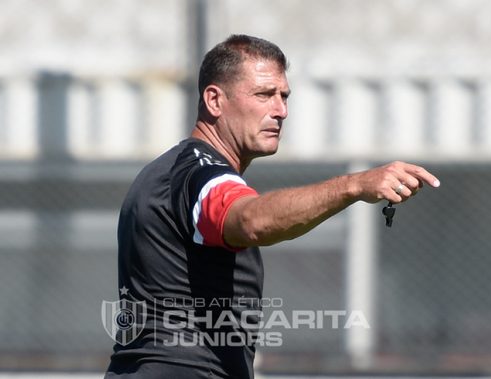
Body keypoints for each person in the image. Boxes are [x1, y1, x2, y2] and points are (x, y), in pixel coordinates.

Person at [104, 34, 440, 379]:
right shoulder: (200, 174)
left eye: (283, 96)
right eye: (264, 95)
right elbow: (250, 220)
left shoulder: (168, 171)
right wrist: (353, 185)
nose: (280, 110)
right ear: (215, 100)